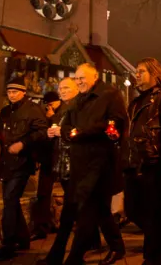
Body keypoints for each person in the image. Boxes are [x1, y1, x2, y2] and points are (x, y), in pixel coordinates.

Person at [60, 63, 128, 265]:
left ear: (95, 76)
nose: (79, 81)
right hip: (80, 162)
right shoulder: (78, 99)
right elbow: (66, 125)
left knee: (87, 209)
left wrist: (82, 133)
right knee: (100, 209)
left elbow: (115, 123)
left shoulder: (109, 95)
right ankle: (117, 247)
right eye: (77, 78)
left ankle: (75, 256)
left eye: (83, 77)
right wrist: (70, 133)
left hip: (100, 161)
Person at [123, 58, 161, 265]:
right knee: (133, 209)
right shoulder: (136, 101)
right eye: (136, 71)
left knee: (154, 211)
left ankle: (155, 255)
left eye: (141, 71)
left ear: (154, 73)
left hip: (154, 163)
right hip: (134, 163)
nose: (137, 74)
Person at [0, 77, 48, 261]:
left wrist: (23, 144)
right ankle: (23, 239)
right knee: (11, 200)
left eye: (15, 92)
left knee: (9, 199)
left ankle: (9, 243)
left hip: (23, 162)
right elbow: (0, 129)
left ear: (23, 92)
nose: (12, 95)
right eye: (9, 92)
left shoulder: (33, 109)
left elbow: (41, 132)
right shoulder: (5, 111)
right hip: (6, 162)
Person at [38, 78, 82, 265]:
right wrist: (51, 132)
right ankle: (111, 244)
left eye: (66, 88)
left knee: (70, 212)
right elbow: (58, 130)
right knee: (82, 211)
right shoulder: (62, 108)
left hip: (75, 165)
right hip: (63, 164)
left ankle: (59, 255)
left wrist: (60, 131)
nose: (62, 91)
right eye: (60, 88)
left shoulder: (80, 107)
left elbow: (80, 131)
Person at [32, 90, 64, 240]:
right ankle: (42, 226)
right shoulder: (44, 114)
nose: (49, 107)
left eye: (51, 104)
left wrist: (52, 118)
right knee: (43, 193)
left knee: (72, 194)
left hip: (62, 159)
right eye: (47, 104)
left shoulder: (65, 111)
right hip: (48, 159)